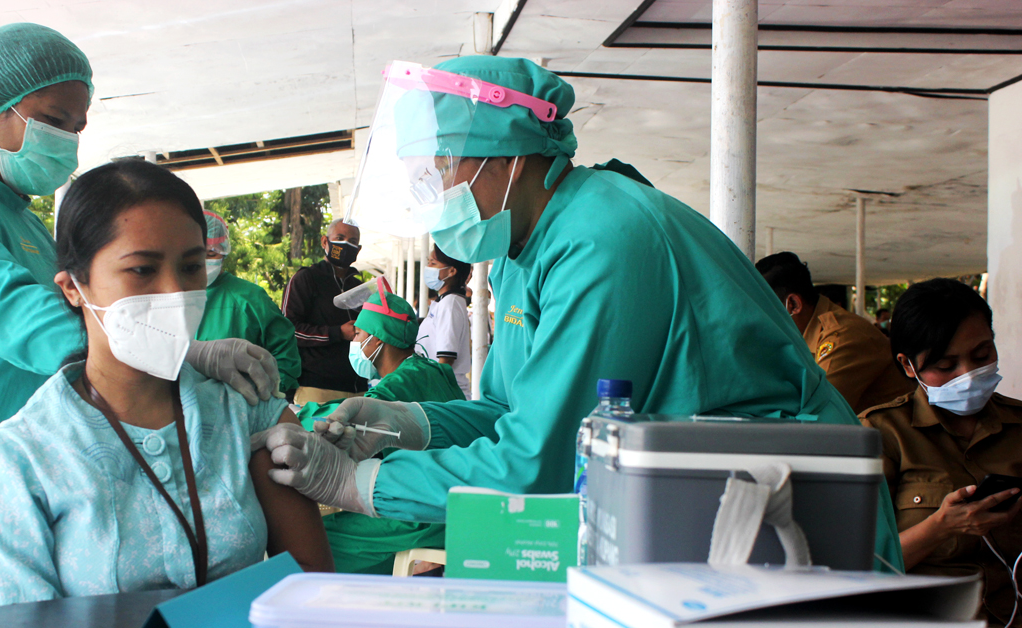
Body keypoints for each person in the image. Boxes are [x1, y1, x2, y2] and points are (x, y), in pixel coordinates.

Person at [257, 56, 904, 573]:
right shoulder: (518, 253)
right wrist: (402, 424)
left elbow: (537, 463)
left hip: (784, 506)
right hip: (698, 499)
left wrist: (357, 483)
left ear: (508, 157)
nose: (432, 194)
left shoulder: (602, 240)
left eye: (441, 170)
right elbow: (511, 413)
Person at [0, 24, 280, 628]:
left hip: (45, 477)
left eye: (76, 127)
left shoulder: (21, 218)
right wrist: (183, 350)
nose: (68, 141)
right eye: (53, 120)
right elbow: (18, 317)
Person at [0, 160, 332, 608]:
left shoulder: (247, 410)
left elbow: (310, 585)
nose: (174, 292)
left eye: (192, 266)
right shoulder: (23, 457)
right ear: (73, 288)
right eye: (142, 270)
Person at [861, 278, 1022, 623]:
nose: (969, 375)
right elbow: (859, 567)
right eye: (946, 366)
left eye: (982, 355)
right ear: (908, 365)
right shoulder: (881, 434)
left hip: (1014, 626)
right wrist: (941, 527)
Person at [296, 278, 464, 574]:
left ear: (377, 339)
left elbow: (344, 415)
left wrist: (291, 415)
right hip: (453, 500)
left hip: (423, 513)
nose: (354, 341)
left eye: (358, 334)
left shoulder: (397, 385)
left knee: (313, 540)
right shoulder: (431, 371)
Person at [757, 251, 913, 414]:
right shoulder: (804, 335)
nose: (760, 320)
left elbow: (818, 412)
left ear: (794, 305)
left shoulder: (843, 336)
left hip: (888, 431)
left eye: (763, 310)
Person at [196, 210, 302, 397]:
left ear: (224, 252)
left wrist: (266, 396)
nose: (202, 262)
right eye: (195, 254)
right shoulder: (168, 300)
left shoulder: (250, 298)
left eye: (211, 253)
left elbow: (286, 356)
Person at [281, 220, 367, 404]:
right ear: (324, 242)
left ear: (358, 249)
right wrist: (337, 333)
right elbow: (288, 330)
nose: (345, 245)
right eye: (340, 238)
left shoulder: (360, 287)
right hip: (316, 388)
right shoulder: (306, 279)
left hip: (359, 388)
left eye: (352, 241)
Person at [418, 245, 472, 398]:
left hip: (445, 393)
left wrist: (431, 392)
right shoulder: (444, 302)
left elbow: (446, 359)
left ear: (451, 271)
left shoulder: (450, 304)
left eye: (433, 263)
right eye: (428, 262)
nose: (428, 267)